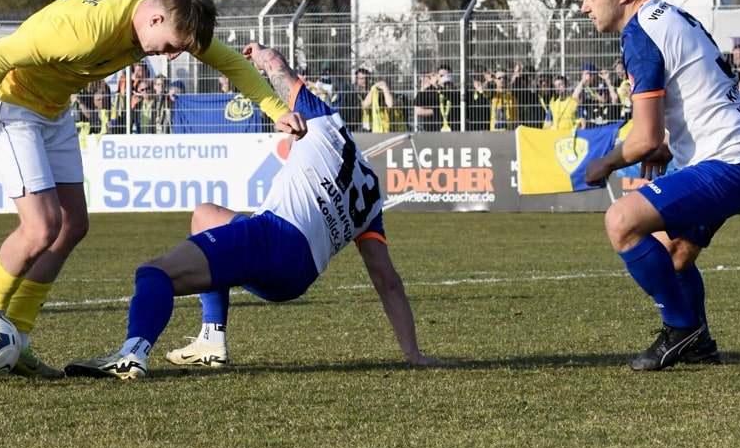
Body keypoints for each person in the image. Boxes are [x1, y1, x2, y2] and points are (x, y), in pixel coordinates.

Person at [0, 0, 305, 378]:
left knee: (73, 226)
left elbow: (230, 62)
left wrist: (276, 111)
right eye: (171, 46)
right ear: (155, 18)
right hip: (13, 105)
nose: (171, 57)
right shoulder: (85, 30)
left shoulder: (168, 14)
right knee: (42, 227)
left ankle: (20, 335)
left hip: (54, 110)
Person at [64, 42, 452, 380]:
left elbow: (280, 70)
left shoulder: (325, 124)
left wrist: (262, 55)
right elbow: (387, 281)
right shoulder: (371, 197)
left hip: (272, 239)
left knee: (154, 273)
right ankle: (211, 340)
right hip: (297, 277)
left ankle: (132, 353)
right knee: (205, 215)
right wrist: (413, 354)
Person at [579, 0, 740, 371]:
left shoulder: (640, 33)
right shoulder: (666, 15)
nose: (584, 7)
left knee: (621, 221)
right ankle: (699, 346)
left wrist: (604, 163)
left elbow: (643, 139)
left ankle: (682, 329)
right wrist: (672, 143)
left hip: (730, 162)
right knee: (674, 254)